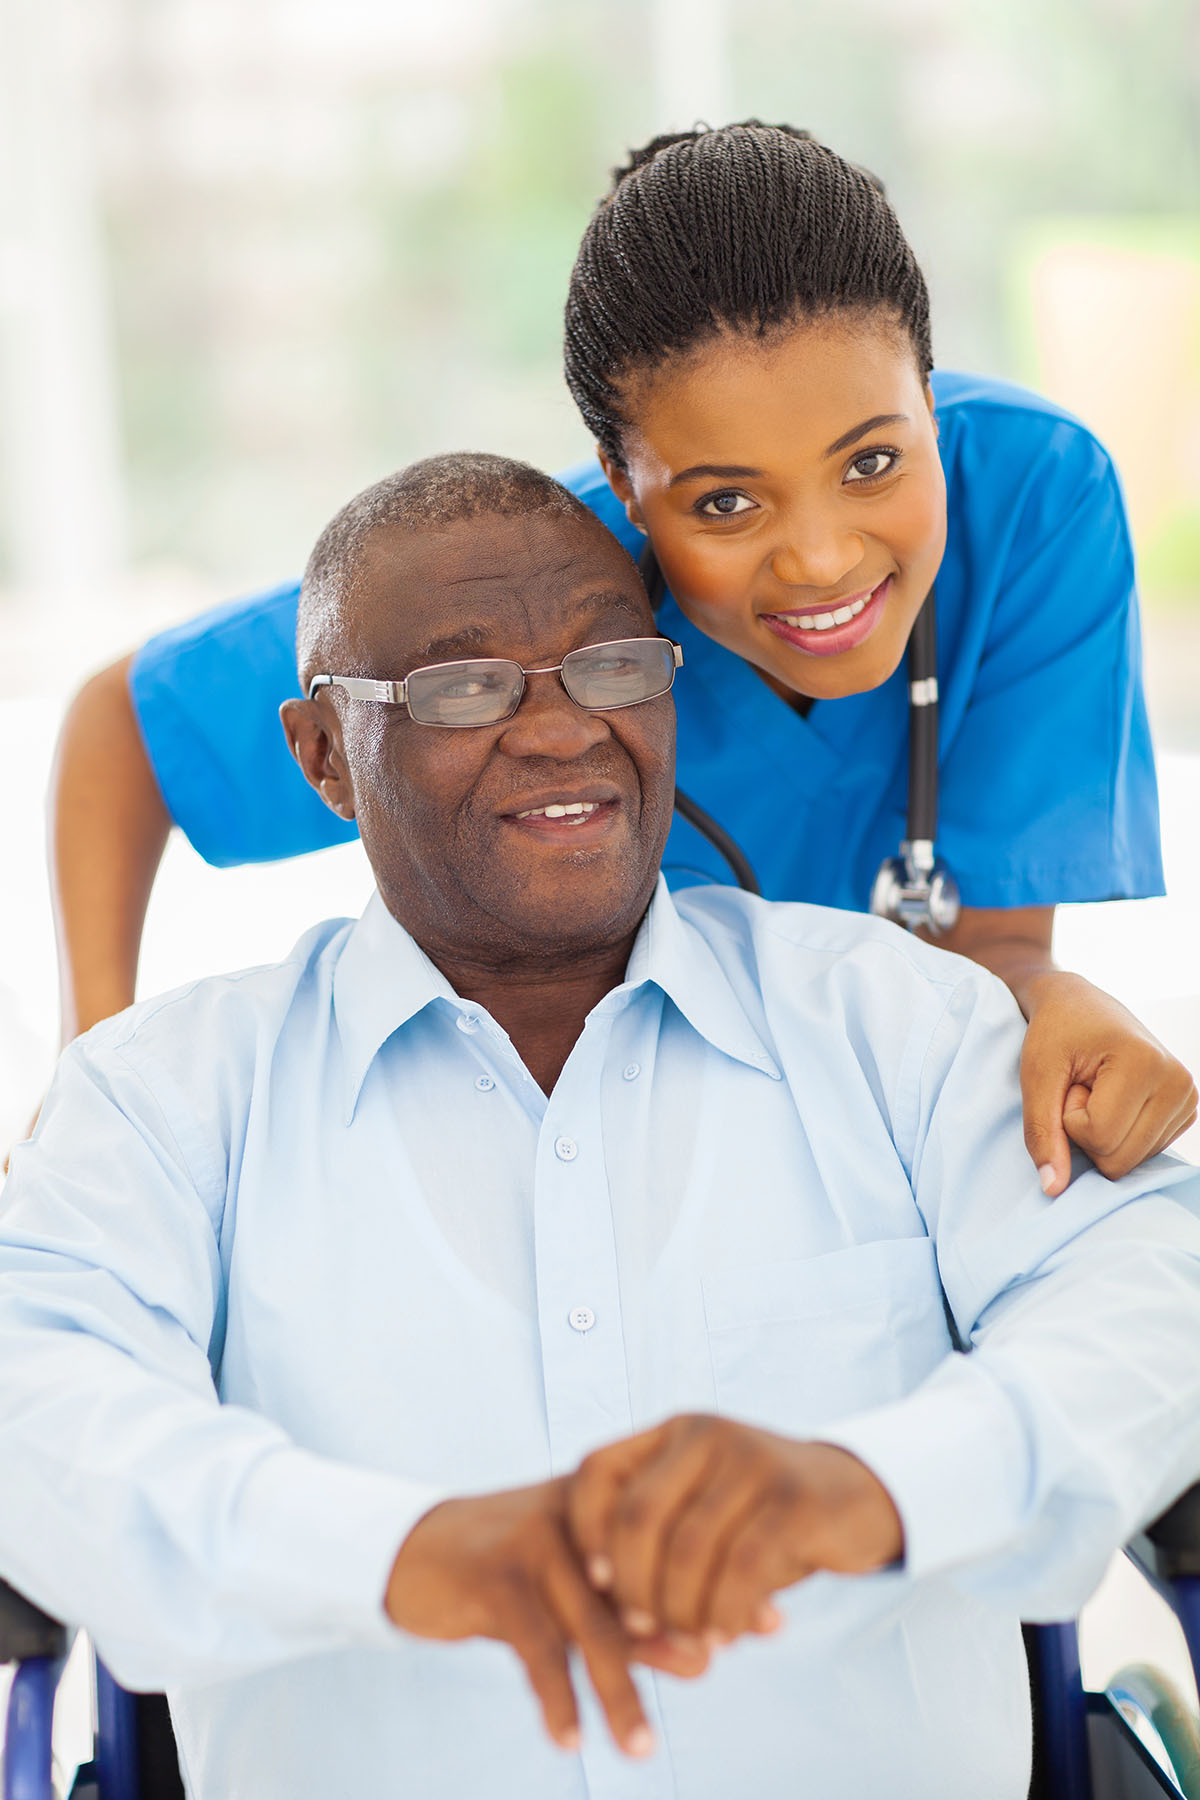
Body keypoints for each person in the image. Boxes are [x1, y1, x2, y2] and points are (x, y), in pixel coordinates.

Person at [3, 455, 1199, 1800]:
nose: (564, 727)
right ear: (324, 756)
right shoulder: (164, 1099)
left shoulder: (892, 1023)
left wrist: (872, 1487)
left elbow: (1155, 1300)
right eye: (464, 688)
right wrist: (395, 1554)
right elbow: (35, 1407)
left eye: (612, 666)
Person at [43, 123, 1197, 1195]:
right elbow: (124, 726)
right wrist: (90, 1073)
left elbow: (987, 944)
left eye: (872, 464)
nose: (822, 559)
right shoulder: (537, 592)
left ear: (928, 396)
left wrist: (1065, 1005)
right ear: (622, 479)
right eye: (727, 501)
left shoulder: (1036, 498)